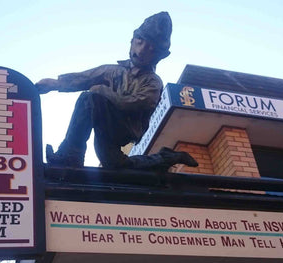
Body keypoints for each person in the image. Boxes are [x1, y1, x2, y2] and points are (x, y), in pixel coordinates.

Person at [35, 12, 198, 171]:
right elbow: (86, 77)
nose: (141, 51)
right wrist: (55, 84)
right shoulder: (113, 71)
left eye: (151, 49)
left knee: (90, 98)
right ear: (132, 40)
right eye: (139, 42)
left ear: (161, 56)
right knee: (114, 164)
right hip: (105, 127)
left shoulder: (153, 82)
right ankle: (166, 157)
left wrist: (101, 90)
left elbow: (133, 104)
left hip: (124, 129)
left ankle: (70, 155)